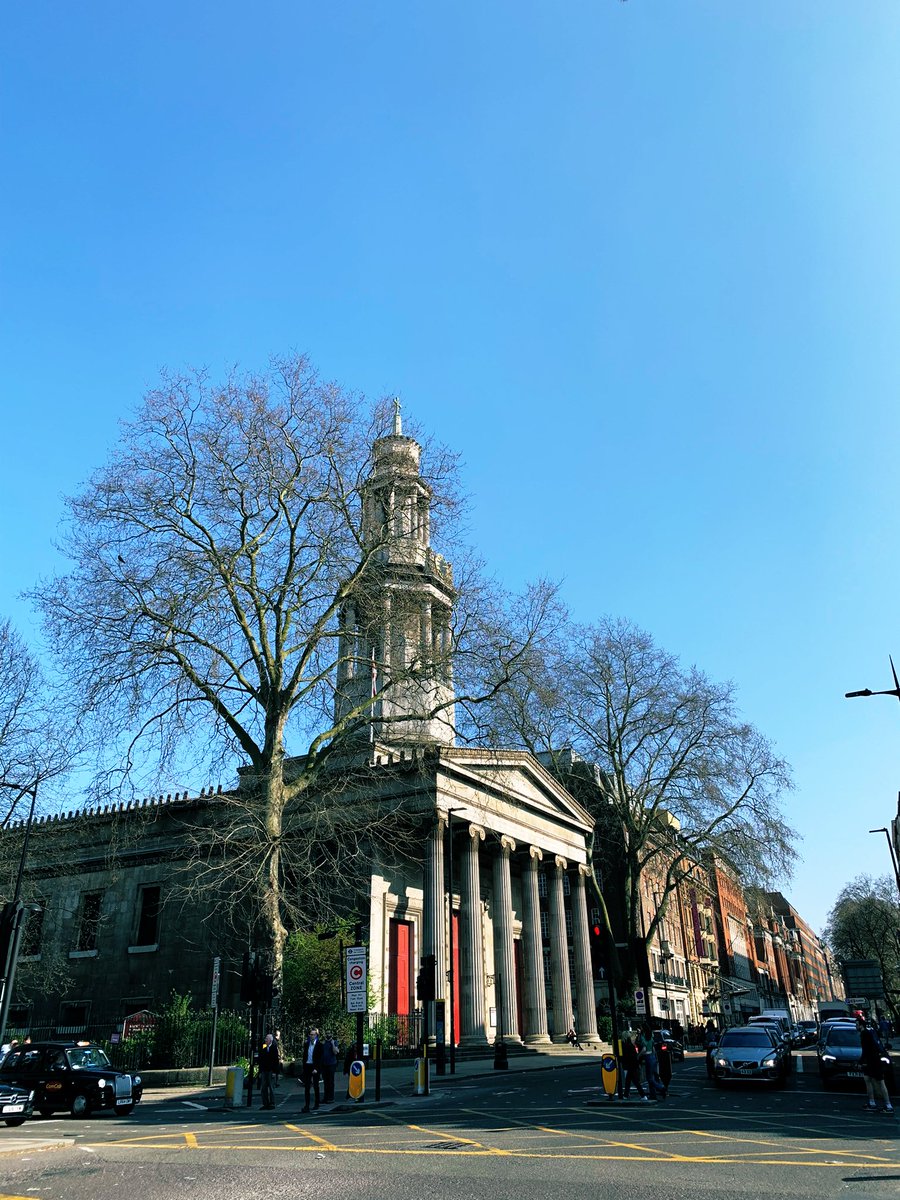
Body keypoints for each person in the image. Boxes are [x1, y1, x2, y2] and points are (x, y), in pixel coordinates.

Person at [857, 1012, 893, 1115]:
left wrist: (860, 1061)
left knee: (880, 1082)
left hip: (873, 1061)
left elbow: (866, 1050)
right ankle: (872, 1103)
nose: (856, 1027)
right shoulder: (869, 1032)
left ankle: (888, 1105)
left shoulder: (864, 1034)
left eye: (857, 1025)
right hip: (873, 1061)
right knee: (867, 1079)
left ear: (861, 1025)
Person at [301, 1027, 324, 1113]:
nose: (312, 1036)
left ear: (316, 1035)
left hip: (315, 1067)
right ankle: (307, 1105)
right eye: (311, 1034)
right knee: (307, 1087)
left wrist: (317, 1069)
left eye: (313, 1034)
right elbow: (304, 1055)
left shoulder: (319, 1045)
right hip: (307, 1066)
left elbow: (320, 1059)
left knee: (316, 1086)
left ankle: (316, 1104)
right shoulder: (306, 1044)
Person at [620, 1035, 648, 1101]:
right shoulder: (631, 1046)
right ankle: (626, 1095)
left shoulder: (627, 1046)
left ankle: (643, 1095)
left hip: (632, 1066)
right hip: (633, 1065)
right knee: (628, 1081)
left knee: (635, 1082)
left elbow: (626, 1057)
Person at [258, 1032, 279, 1110]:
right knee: (263, 1088)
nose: (265, 1040)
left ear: (270, 1040)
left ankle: (272, 1103)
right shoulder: (263, 1047)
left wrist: (274, 1072)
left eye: (266, 1039)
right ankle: (265, 1103)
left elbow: (275, 1061)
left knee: (271, 1087)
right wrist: (260, 1071)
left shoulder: (274, 1047)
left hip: (270, 1070)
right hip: (264, 1070)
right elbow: (261, 1060)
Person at [321, 1033, 338, 1103]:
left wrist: (333, 1044)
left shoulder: (334, 1042)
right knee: (325, 1082)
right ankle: (326, 1097)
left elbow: (335, 1052)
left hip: (331, 1064)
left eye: (329, 1034)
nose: (328, 1035)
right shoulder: (323, 1043)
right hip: (324, 1064)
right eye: (327, 1034)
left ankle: (331, 1098)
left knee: (330, 1081)